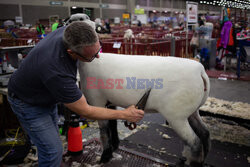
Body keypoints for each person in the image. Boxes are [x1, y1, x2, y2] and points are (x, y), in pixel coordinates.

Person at [7, 20, 144, 166]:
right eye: (91, 56)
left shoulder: (72, 31)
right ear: (71, 52)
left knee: (47, 146)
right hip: (27, 102)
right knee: (53, 151)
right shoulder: (57, 71)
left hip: (44, 95)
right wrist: (124, 114)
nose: (97, 57)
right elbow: (86, 111)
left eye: (99, 50)